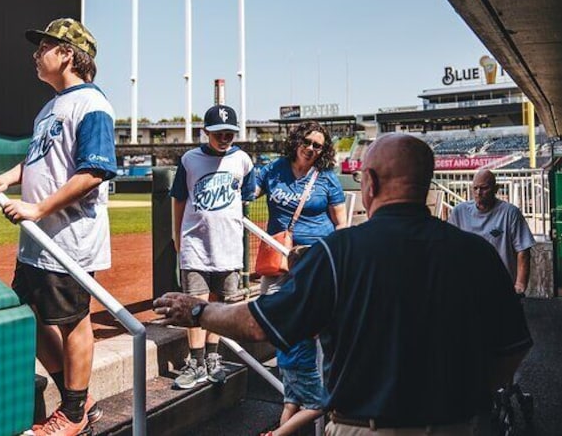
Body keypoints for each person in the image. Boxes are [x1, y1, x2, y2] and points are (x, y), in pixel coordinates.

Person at [155, 134, 532, 435]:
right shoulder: (475, 253)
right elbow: (514, 346)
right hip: (458, 424)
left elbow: (258, 324)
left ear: (369, 183)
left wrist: (199, 310)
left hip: (364, 426)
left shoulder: (338, 253)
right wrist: (474, 392)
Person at [0, 17, 116, 436]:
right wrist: (5, 177)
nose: (36, 55)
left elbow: (94, 172)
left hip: (68, 239)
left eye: (45, 48)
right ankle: (80, 400)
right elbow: (38, 160)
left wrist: (38, 210)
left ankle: (72, 416)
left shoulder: (92, 104)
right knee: (30, 316)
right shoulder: (49, 107)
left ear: (68, 55)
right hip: (38, 242)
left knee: (73, 321)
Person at [255, 121, 347, 435]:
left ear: (323, 150)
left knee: (315, 324)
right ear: (297, 140)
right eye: (307, 141)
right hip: (278, 260)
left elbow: (341, 226)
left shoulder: (327, 179)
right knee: (276, 318)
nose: (310, 148)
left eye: (317, 145)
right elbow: (246, 192)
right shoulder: (274, 169)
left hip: (315, 260)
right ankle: (299, 387)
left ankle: (313, 393)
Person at [169, 103, 255, 389]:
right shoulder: (190, 159)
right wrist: (176, 235)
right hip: (195, 243)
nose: (225, 137)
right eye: (219, 132)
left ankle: (213, 357)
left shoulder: (243, 160)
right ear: (205, 131)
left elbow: (246, 197)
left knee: (219, 304)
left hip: (229, 246)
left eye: (230, 132)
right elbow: (179, 198)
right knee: (194, 302)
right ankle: (195, 362)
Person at [448, 169, 536, 294]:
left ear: (496, 189)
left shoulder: (510, 213)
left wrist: (520, 284)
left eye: (484, 188)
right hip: (468, 285)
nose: (479, 192)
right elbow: (449, 248)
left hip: (501, 285)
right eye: (475, 188)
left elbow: (523, 251)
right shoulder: (459, 212)